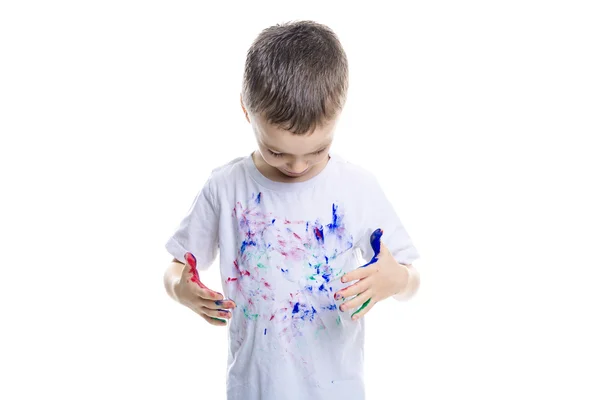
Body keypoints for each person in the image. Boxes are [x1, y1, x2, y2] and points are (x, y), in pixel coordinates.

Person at [163, 20, 421, 400]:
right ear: (246, 110)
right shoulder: (225, 188)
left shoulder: (357, 188)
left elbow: (411, 279)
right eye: (277, 151)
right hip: (254, 389)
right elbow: (176, 268)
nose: (297, 166)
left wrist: (395, 281)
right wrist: (181, 291)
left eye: (316, 151)